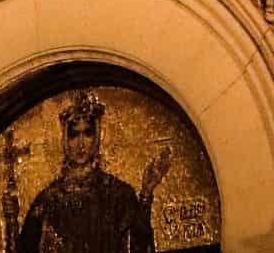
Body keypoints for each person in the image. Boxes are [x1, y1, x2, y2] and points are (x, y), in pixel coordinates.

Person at [13, 91, 167, 253]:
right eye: (74, 135)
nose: (81, 144)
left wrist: (146, 194)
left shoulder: (118, 194)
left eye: (87, 133)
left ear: (97, 136)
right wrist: (12, 221)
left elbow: (138, 245)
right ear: (64, 138)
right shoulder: (47, 201)